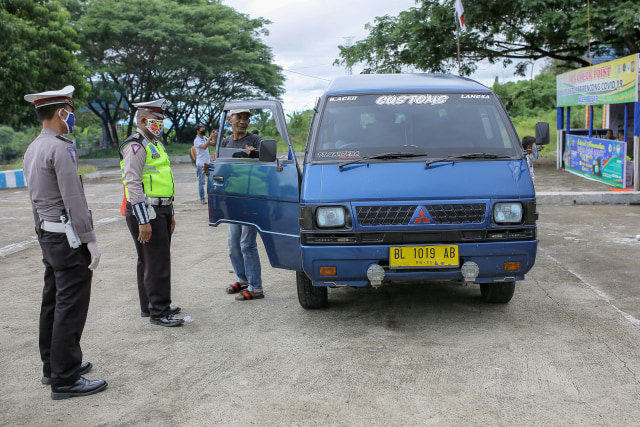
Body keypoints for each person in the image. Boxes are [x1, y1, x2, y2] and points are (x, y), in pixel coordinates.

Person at [22, 85, 107, 400]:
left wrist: (41, 233)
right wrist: (90, 240)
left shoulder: (33, 148)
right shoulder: (61, 148)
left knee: (53, 302)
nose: (71, 117)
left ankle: (52, 366)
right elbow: (73, 199)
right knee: (70, 308)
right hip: (68, 239)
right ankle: (66, 379)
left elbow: (33, 199)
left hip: (47, 234)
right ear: (60, 112)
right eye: (69, 112)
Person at [120, 98, 183, 326]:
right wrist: (143, 220)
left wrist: (171, 211)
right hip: (147, 210)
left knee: (148, 260)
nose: (161, 123)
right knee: (157, 261)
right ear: (143, 120)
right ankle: (160, 312)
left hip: (161, 208)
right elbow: (133, 183)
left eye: (162, 119)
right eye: (157, 119)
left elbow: (164, 179)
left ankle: (150, 305)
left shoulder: (155, 143)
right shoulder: (136, 145)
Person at [220, 109, 264, 300]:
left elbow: (268, 162)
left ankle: (256, 287)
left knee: (247, 244)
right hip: (233, 198)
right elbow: (221, 165)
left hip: (251, 198)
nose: (243, 121)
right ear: (230, 119)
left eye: (247, 118)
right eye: (239, 117)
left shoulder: (256, 140)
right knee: (233, 245)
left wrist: (255, 155)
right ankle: (243, 279)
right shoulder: (225, 142)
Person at [193, 124, 217, 204]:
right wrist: (210, 136)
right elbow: (204, 147)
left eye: (204, 129)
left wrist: (215, 136)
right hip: (201, 164)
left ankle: (212, 196)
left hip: (208, 163)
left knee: (212, 180)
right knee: (202, 182)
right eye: (202, 130)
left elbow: (213, 144)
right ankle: (202, 198)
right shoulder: (196, 140)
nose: (203, 131)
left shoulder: (205, 138)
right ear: (197, 131)